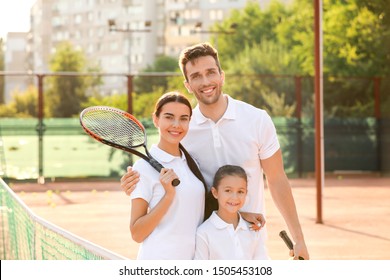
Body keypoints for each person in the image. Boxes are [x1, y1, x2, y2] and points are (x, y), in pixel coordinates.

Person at [121, 42, 309, 260]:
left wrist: (299, 239)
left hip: (252, 244)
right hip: (205, 249)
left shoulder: (257, 119)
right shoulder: (183, 129)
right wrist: (134, 183)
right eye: (196, 76)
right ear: (188, 85)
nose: (206, 81)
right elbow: (167, 177)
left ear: (222, 76)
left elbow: (277, 180)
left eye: (211, 72)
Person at [129, 91, 208, 260]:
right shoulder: (142, 168)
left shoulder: (192, 162)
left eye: (184, 118)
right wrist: (168, 196)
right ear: (156, 119)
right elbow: (137, 233)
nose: (176, 124)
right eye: (169, 117)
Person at [194, 165, 268, 260]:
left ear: (246, 193)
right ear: (215, 193)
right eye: (228, 190)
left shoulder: (253, 229)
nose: (235, 197)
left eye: (240, 192)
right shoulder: (204, 232)